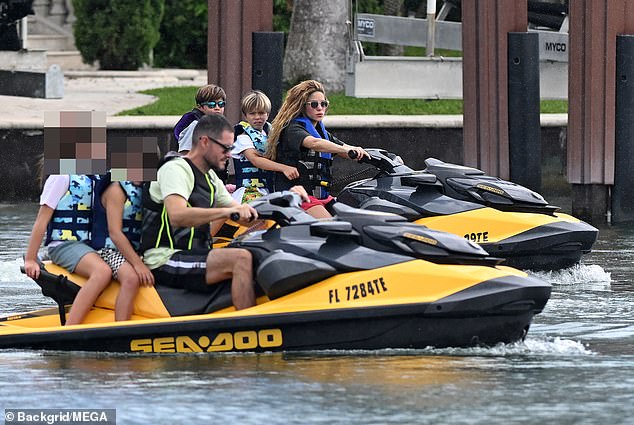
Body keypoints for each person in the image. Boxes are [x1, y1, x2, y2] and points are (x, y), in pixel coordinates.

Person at [141, 114, 261, 310]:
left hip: (195, 255)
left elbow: (240, 213)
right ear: (205, 142)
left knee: (257, 253)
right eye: (225, 148)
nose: (229, 154)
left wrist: (287, 200)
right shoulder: (176, 169)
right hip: (164, 258)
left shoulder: (211, 178)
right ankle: (249, 329)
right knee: (241, 259)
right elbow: (177, 215)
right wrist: (225, 212)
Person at [264, 79, 369, 218]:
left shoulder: (320, 131)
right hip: (297, 195)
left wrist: (373, 156)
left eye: (323, 104)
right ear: (302, 106)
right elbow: (313, 143)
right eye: (314, 104)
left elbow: (344, 147)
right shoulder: (292, 129)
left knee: (352, 221)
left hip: (322, 197)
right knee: (334, 228)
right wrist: (343, 150)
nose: (320, 108)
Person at [23, 174, 114, 325]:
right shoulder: (61, 178)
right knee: (102, 272)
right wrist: (30, 259)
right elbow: (42, 220)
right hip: (63, 245)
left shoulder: (100, 177)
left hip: (92, 246)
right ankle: (71, 327)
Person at [92, 177, 155, 321]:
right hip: (108, 250)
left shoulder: (147, 189)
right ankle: (121, 328)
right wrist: (138, 264)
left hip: (133, 251)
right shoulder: (117, 189)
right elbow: (115, 232)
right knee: (130, 278)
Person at [231, 90, 299, 203]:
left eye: (261, 113)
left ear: (267, 114)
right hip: (248, 191)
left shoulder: (270, 133)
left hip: (268, 189)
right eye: (252, 113)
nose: (257, 117)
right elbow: (255, 160)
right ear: (245, 115)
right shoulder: (242, 137)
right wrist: (284, 168)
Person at [174, 84, 227, 154]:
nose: (217, 108)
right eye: (211, 105)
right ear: (200, 107)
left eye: (221, 104)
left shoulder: (218, 127)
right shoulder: (195, 126)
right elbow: (185, 154)